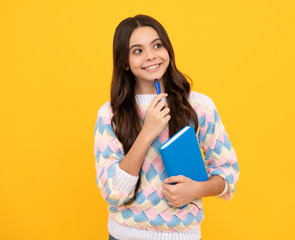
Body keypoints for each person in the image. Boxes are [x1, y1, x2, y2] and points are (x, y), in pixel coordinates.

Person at [94, 14, 239, 240]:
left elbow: (227, 175)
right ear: (124, 61)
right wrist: (148, 132)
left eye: (157, 45)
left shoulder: (199, 106)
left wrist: (196, 189)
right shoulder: (110, 114)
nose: (151, 56)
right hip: (123, 235)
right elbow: (113, 193)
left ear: (167, 49)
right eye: (138, 51)